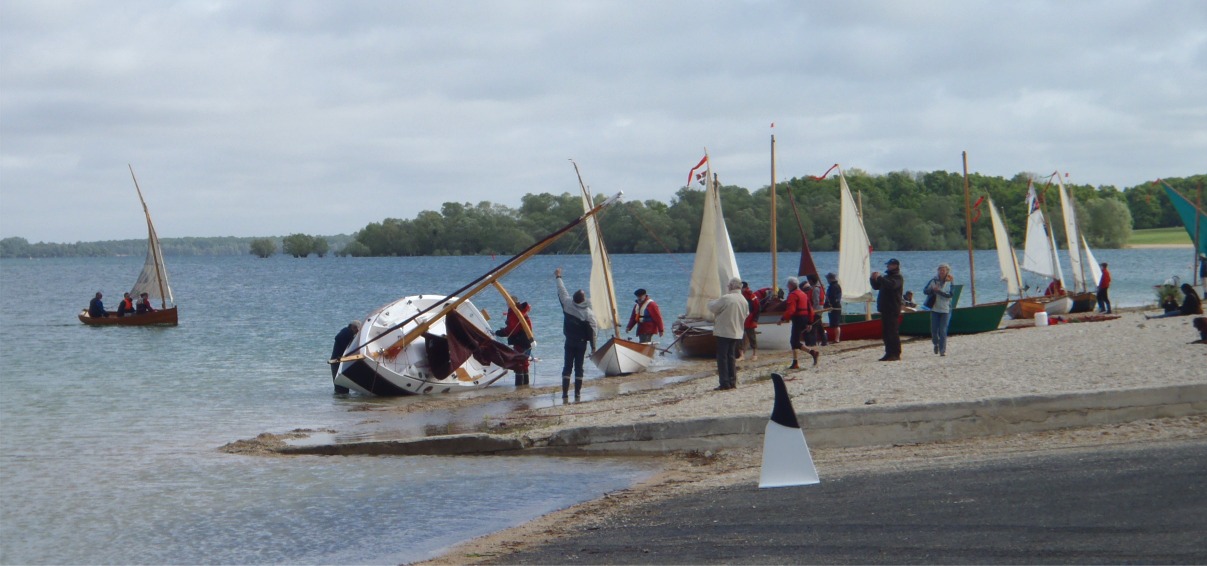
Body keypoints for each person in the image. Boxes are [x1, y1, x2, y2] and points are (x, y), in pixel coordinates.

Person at [556, 267, 596, 400]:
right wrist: (594, 347)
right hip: (581, 344)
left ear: (574, 299)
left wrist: (558, 277)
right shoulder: (588, 313)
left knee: (567, 366)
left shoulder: (568, 304)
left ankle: (565, 394)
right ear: (583, 300)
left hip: (569, 342)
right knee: (579, 368)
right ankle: (577, 394)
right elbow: (593, 331)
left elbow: (562, 291)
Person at [707, 277, 748, 391]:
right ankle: (732, 381)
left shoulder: (727, 298)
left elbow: (713, 308)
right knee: (731, 357)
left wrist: (710, 301)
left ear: (731, 286)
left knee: (722, 358)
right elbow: (747, 314)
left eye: (728, 286)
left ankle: (725, 383)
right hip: (737, 332)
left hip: (724, 332)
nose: (728, 287)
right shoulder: (743, 300)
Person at [777, 277, 820, 369]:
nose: (787, 287)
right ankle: (795, 362)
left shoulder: (793, 295)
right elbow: (810, 309)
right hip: (804, 319)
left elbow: (791, 310)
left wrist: (782, 319)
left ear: (791, 285)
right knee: (794, 341)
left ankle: (812, 352)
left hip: (798, 319)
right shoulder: (803, 294)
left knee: (794, 341)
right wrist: (809, 322)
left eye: (788, 285)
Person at [870, 258, 904, 361]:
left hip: (893, 308)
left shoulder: (898, 277)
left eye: (889, 265)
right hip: (885, 308)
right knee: (886, 332)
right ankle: (888, 353)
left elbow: (891, 285)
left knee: (892, 332)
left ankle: (895, 353)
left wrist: (880, 278)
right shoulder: (886, 277)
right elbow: (876, 287)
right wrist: (873, 279)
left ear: (895, 266)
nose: (887, 267)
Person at [496, 298, 534, 387]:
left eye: (507, 303)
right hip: (528, 339)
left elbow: (512, 329)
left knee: (519, 363)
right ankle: (525, 386)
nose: (507, 305)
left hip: (520, 340)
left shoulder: (514, 312)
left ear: (510, 303)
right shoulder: (520, 310)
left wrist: (500, 333)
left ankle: (519, 386)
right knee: (524, 362)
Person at [923, 263, 954, 356]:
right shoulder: (933, 280)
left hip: (946, 309)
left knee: (943, 330)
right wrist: (932, 290)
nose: (941, 272)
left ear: (947, 271)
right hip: (935, 308)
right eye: (940, 270)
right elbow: (925, 291)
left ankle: (942, 350)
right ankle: (935, 344)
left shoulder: (950, 281)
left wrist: (939, 291)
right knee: (934, 330)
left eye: (943, 270)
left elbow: (950, 294)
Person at [329, 321, 361, 394]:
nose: (357, 331)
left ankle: (342, 403)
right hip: (336, 360)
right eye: (357, 329)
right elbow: (337, 338)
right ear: (353, 327)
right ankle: (341, 401)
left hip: (338, 360)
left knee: (341, 385)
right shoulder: (347, 332)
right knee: (340, 386)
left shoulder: (347, 332)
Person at [738, 282, 760, 361]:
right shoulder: (739, 295)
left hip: (750, 320)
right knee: (739, 337)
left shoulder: (752, 296)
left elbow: (757, 308)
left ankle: (755, 354)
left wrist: (755, 319)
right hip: (741, 319)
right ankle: (741, 355)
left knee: (752, 337)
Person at [806, 274, 828, 347]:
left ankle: (813, 343)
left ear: (811, 280)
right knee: (819, 326)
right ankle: (824, 341)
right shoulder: (818, 287)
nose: (808, 282)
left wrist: (813, 311)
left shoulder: (815, 289)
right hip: (819, 308)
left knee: (814, 327)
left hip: (817, 309)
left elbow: (816, 301)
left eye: (809, 280)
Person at [824, 273, 843, 344]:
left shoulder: (835, 286)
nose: (827, 280)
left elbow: (835, 298)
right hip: (832, 307)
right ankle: (836, 338)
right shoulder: (832, 286)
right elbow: (828, 297)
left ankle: (837, 339)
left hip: (835, 307)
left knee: (836, 324)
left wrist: (831, 304)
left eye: (828, 279)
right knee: (834, 323)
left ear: (830, 279)